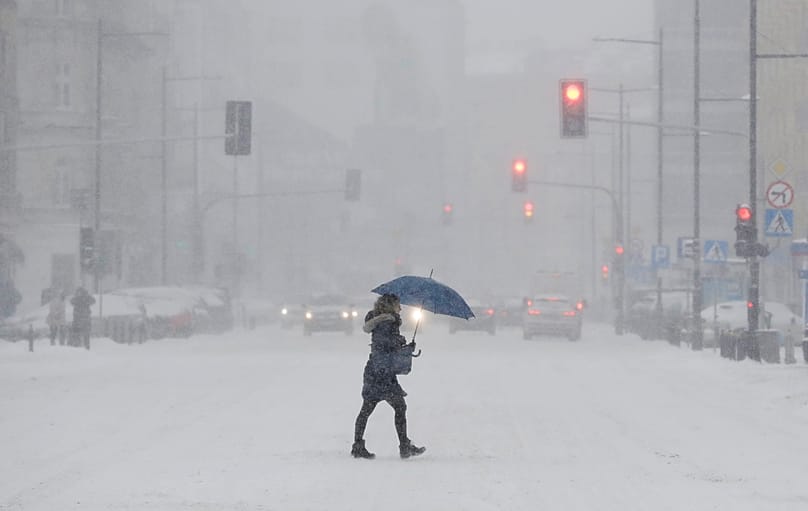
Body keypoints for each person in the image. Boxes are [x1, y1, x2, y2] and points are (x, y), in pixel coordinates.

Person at [351, 293, 425, 460]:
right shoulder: (387, 322)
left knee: (367, 409)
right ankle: (404, 447)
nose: (401, 308)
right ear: (390, 305)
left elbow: (383, 345)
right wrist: (401, 342)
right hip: (382, 374)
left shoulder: (380, 320)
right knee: (398, 407)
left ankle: (358, 445)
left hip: (375, 370)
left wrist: (404, 345)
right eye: (398, 304)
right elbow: (386, 344)